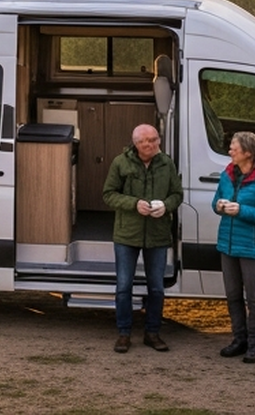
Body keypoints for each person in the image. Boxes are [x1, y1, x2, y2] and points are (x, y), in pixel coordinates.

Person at [103, 122, 180, 353]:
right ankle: (124, 333)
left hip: (157, 234)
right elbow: (108, 194)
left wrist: (165, 206)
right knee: (123, 286)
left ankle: (152, 333)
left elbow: (177, 194)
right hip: (127, 234)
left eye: (155, 139)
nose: (151, 144)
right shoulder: (121, 162)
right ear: (136, 144)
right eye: (146, 141)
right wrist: (133, 203)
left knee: (156, 288)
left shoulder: (167, 163)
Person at [213, 130, 255, 363]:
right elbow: (215, 202)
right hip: (228, 246)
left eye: (234, 147)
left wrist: (241, 210)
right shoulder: (227, 174)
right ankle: (239, 340)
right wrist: (220, 205)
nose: (230, 150)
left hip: (253, 247)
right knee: (232, 296)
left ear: (248, 153)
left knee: (254, 299)